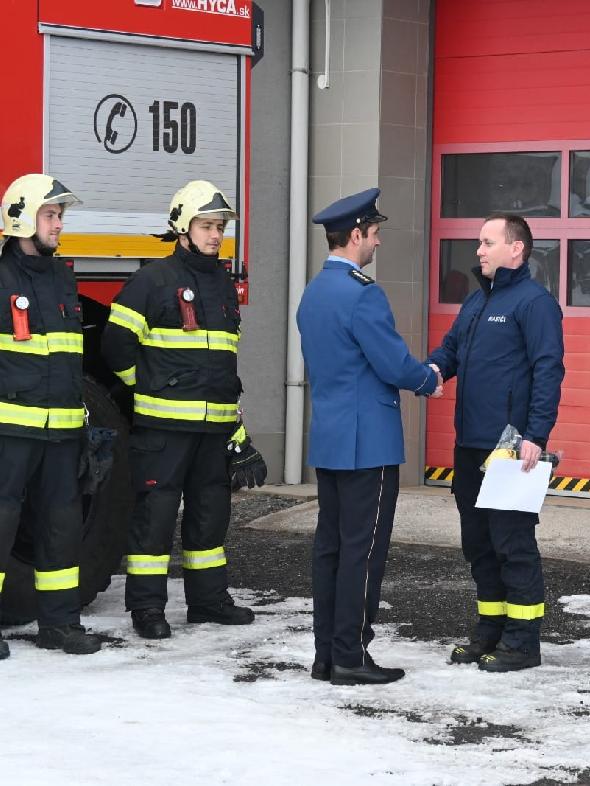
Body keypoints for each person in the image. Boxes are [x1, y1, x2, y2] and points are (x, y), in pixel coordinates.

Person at [103, 180, 266, 641]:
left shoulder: (222, 286)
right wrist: (149, 389)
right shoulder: (153, 280)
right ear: (182, 227)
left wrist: (237, 432)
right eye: (207, 226)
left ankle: (208, 601)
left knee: (210, 517)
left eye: (220, 227)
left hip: (212, 430)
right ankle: (148, 609)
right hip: (163, 429)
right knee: (154, 521)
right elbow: (116, 344)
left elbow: (223, 365)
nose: (216, 235)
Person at [297, 188, 439, 686]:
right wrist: (429, 379)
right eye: (374, 234)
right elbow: (393, 362)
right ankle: (351, 655)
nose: (377, 243)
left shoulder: (315, 291)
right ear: (355, 235)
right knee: (363, 551)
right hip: (369, 442)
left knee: (331, 549)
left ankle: (326, 654)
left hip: (332, 439)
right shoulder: (362, 293)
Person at [427, 213, 564, 673]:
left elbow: (548, 370)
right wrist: (430, 372)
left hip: (510, 452)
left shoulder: (535, 304)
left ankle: (523, 642)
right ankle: (490, 630)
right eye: (479, 243)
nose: (479, 251)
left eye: (488, 242)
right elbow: (450, 351)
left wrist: (535, 435)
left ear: (516, 249)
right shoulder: (475, 302)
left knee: (513, 546)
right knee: (480, 546)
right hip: (471, 446)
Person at [0, 174, 101, 657]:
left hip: (61, 432)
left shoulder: (62, 276)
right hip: (11, 431)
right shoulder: (1, 278)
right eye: (50, 215)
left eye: (60, 215)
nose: (58, 224)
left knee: (61, 526)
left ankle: (60, 624)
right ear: (22, 218)